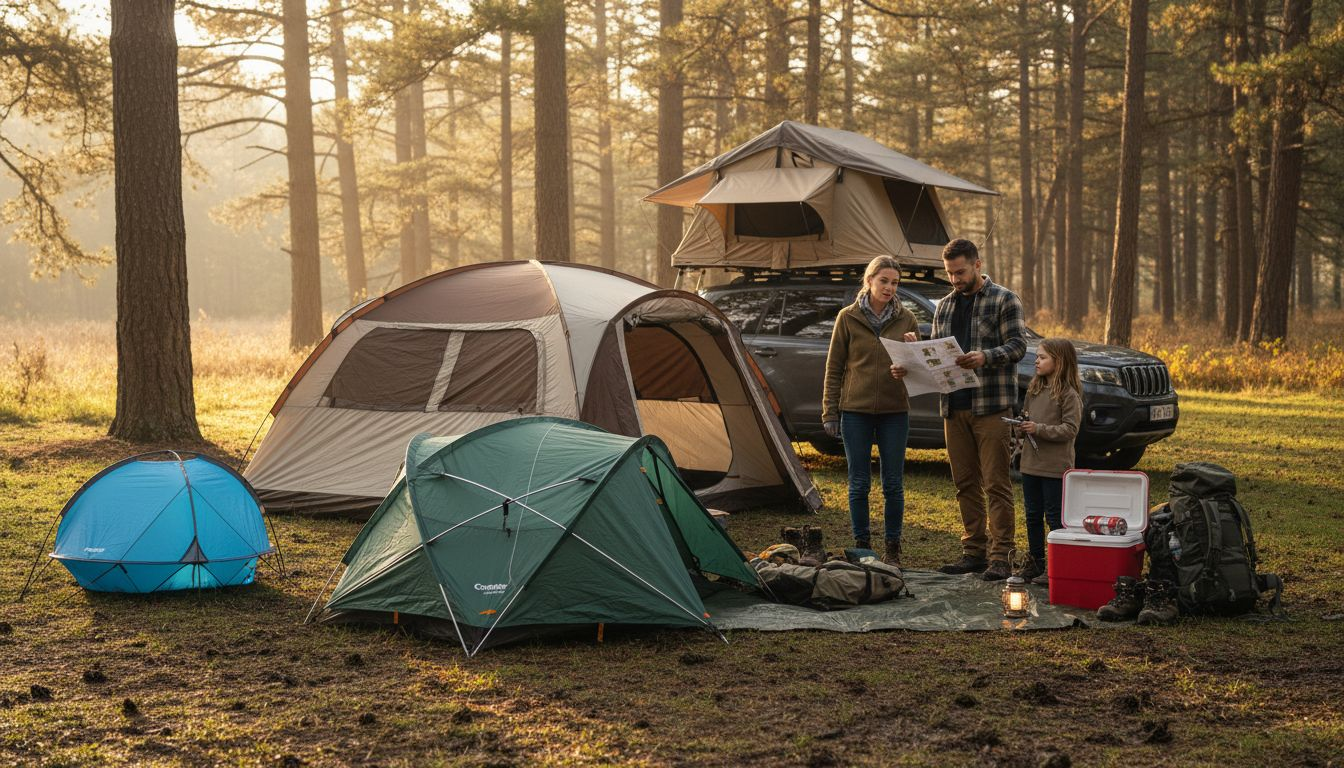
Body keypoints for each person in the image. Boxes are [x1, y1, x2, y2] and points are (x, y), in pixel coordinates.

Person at [932, 239, 1027, 581]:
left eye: (960, 272)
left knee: (996, 483)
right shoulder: (943, 306)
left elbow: (1019, 345)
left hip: (990, 406)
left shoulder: (1004, 299)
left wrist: (986, 357)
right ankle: (973, 551)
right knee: (964, 483)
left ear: (976, 264)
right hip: (953, 406)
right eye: (950, 274)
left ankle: (1001, 556)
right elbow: (937, 355)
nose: (955, 279)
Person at [822, 255, 919, 566]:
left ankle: (893, 547)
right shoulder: (847, 318)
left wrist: (910, 360)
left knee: (893, 483)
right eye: (884, 281)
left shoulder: (907, 320)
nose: (890, 288)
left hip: (894, 411)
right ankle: (862, 545)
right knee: (859, 482)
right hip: (855, 411)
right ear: (869, 281)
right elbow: (834, 368)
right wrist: (830, 412)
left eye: (895, 283)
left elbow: (919, 368)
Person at [1014, 338, 1082, 584]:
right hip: (1031, 464)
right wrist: (1021, 427)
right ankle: (1035, 562)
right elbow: (1028, 417)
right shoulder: (1034, 389)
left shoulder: (1069, 395)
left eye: (1042, 357)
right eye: (1037, 357)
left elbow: (1070, 429)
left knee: (1053, 516)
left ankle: (1056, 565)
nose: (1036, 362)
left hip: (1055, 467)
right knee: (1032, 514)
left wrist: (1038, 428)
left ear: (1059, 361)